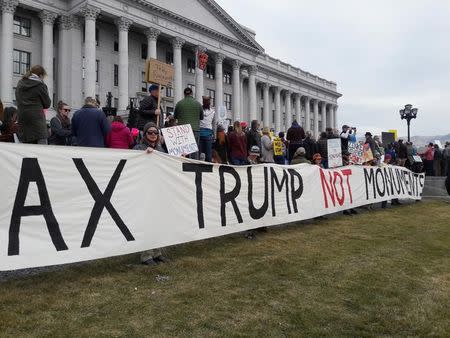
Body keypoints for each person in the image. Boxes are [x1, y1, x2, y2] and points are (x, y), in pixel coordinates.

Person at [133, 122, 168, 266]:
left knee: (159, 222)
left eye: (155, 133)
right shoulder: (138, 148)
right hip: (145, 190)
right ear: (145, 134)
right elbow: (133, 165)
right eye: (150, 132)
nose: (153, 135)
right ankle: (146, 255)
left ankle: (157, 252)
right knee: (147, 223)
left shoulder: (161, 149)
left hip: (159, 189)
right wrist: (143, 155)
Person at [15, 65, 51, 144]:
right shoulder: (40, 85)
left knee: (26, 148)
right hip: (37, 121)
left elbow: (17, 99)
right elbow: (47, 103)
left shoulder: (20, 83)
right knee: (40, 150)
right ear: (41, 75)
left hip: (23, 119)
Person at [174, 87, 203, 153]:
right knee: (194, 151)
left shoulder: (179, 103)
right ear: (192, 93)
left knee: (183, 151)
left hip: (182, 130)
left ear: (184, 94)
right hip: (195, 129)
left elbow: (175, 116)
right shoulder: (198, 104)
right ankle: (193, 163)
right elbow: (201, 117)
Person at [199, 96, 217, 162]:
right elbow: (214, 125)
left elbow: (214, 125)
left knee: (203, 155)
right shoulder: (212, 112)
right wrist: (215, 136)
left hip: (203, 134)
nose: (206, 102)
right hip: (205, 134)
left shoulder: (200, 110)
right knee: (206, 155)